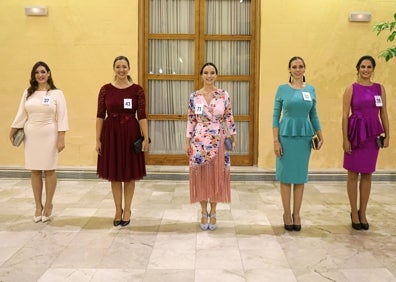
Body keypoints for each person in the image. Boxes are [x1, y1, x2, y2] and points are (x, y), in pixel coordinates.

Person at [9, 61, 69, 223]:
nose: (40, 75)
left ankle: (48, 204)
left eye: (43, 72)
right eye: (37, 72)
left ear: (49, 73)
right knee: (34, 170)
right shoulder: (28, 93)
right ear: (33, 76)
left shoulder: (57, 94)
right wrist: (13, 129)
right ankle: (37, 206)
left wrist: (61, 138)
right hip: (31, 134)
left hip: (50, 134)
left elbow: (62, 117)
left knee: (49, 170)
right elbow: (21, 113)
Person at [96, 55, 149, 227]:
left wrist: (145, 137)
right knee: (115, 175)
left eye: (124, 66)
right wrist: (98, 139)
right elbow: (99, 116)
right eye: (118, 66)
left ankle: (128, 210)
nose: (121, 70)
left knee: (129, 175)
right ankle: (118, 209)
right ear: (114, 69)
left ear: (129, 68)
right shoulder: (105, 90)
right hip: (111, 134)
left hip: (130, 134)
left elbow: (141, 116)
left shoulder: (137, 90)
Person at [272, 56, 323, 232]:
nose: (297, 69)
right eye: (294, 66)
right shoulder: (282, 89)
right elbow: (275, 116)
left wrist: (319, 133)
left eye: (300, 66)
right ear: (289, 69)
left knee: (300, 177)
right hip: (285, 136)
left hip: (304, 137)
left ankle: (297, 214)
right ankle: (286, 214)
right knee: (286, 177)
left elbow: (313, 114)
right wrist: (275, 140)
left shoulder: (311, 89)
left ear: (304, 69)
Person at [185, 62, 237, 231]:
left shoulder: (223, 95)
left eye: (212, 72)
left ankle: (213, 212)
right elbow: (191, 120)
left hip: (219, 140)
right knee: (201, 177)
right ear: (201, 75)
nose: (209, 76)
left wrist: (233, 136)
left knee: (216, 177)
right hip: (199, 142)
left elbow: (229, 117)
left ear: (216, 75)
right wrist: (187, 141)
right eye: (206, 72)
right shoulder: (194, 96)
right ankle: (202, 211)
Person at [342, 55, 390, 231]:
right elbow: (344, 115)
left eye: (369, 67)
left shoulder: (379, 89)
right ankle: (354, 212)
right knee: (353, 174)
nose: (366, 70)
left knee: (368, 173)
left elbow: (383, 113)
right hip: (355, 134)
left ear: (373, 69)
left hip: (372, 135)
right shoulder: (351, 88)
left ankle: (363, 212)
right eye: (363, 66)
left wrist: (388, 134)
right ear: (357, 68)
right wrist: (345, 139)